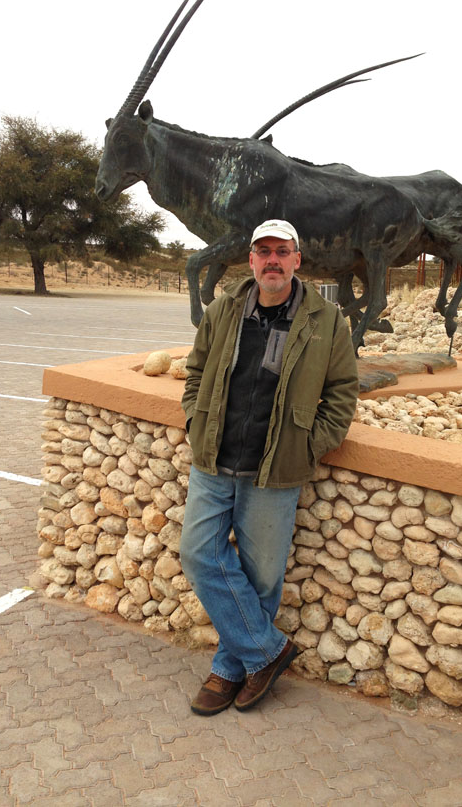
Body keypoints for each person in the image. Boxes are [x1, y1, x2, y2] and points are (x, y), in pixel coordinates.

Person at [180, 218, 359, 715]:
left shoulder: (326, 320)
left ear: (297, 260)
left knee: (261, 577)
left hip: (275, 467)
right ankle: (267, 651)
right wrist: (197, 421)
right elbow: (195, 373)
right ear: (252, 260)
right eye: (264, 252)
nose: (272, 260)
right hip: (214, 459)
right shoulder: (225, 309)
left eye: (282, 251)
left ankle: (228, 669)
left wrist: (310, 445)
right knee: (197, 555)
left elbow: (343, 392)